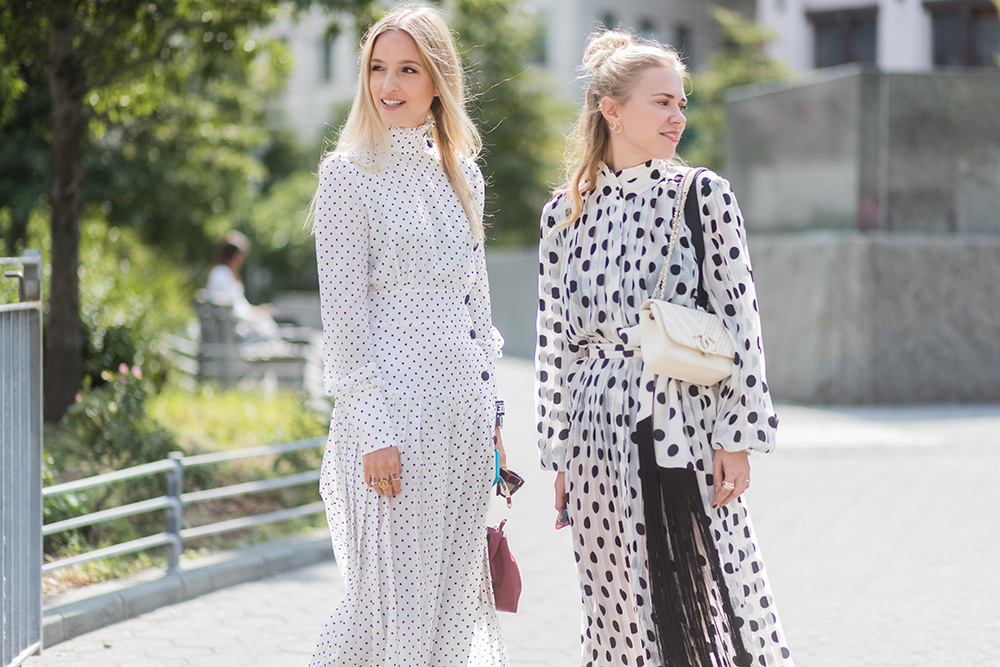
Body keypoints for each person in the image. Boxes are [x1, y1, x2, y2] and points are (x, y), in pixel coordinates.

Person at [535, 30, 794, 667]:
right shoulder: (563, 213)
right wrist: (561, 450)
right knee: (615, 603)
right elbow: (554, 343)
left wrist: (736, 434)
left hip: (678, 421)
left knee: (701, 596)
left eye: (681, 103)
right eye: (661, 103)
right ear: (612, 109)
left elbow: (743, 321)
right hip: (596, 431)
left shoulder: (703, 195)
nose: (678, 116)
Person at [309, 5, 508, 666]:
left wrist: (497, 415)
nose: (387, 84)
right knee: (383, 606)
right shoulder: (347, 174)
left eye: (406, 69)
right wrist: (372, 430)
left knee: (451, 608)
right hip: (391, 420)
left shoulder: (460, 172)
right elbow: (343, 320)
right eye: (376, 68)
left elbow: (478, 307)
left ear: (437, 79)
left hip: (464, 417)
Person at [202, 231, 281, 342]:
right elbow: (230, 308)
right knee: (268, 331)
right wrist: (254, 314)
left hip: (234, 327)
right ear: (232, 255)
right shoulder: (221, 274)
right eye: (241, 256)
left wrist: (256, 311)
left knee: (268, 326)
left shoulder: (223, 273)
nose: (242, 260)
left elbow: (237, 306)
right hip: (233, 332)